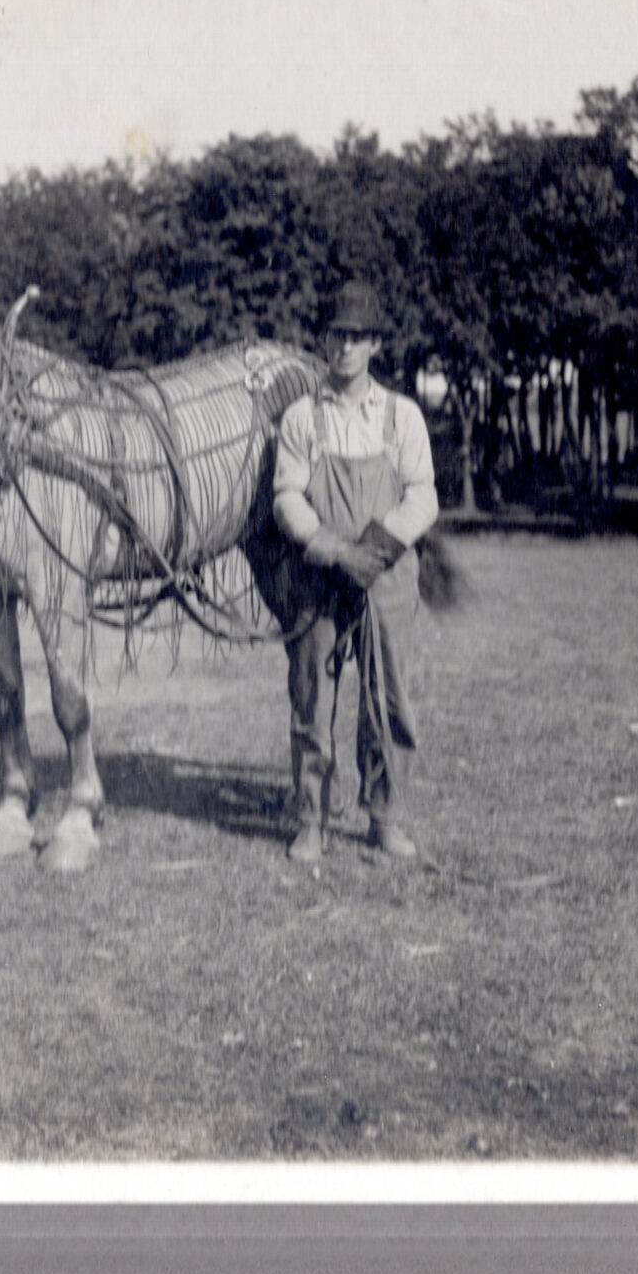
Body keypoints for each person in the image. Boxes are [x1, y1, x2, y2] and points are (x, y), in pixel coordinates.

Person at [272, 280, 438, 864]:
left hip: (388, 574)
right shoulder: (300, 419)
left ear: (374, 346)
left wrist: (376, 547)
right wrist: (330, 546)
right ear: (323, 340)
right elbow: (286, 495)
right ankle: (312, 818)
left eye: (357, 337)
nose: (345, 347)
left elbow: (423, 498)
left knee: (389, 697)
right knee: (312, 699)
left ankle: (385, 818)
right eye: (336, 334)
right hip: (320, 575)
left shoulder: (401, 417)